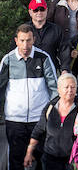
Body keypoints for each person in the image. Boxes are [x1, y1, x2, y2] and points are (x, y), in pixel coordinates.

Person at [1, 24, 59, 170]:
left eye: (28, 40)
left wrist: (53, 114)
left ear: (33, 40)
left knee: (43, 160)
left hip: (39, 120)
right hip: (15, 120)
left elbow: (54, 89)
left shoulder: (43, 58)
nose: (25, 45)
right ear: (16, 40)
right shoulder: (7, 60)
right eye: (22, 40)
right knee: (16, 161)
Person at [24, 72, 78, 170]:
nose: (70, 90)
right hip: (50, 159)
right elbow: (38, 131)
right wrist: (29, 153)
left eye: (73, 87)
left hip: (72, 160)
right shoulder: (49, 108)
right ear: (59, 90)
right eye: (66, 87)